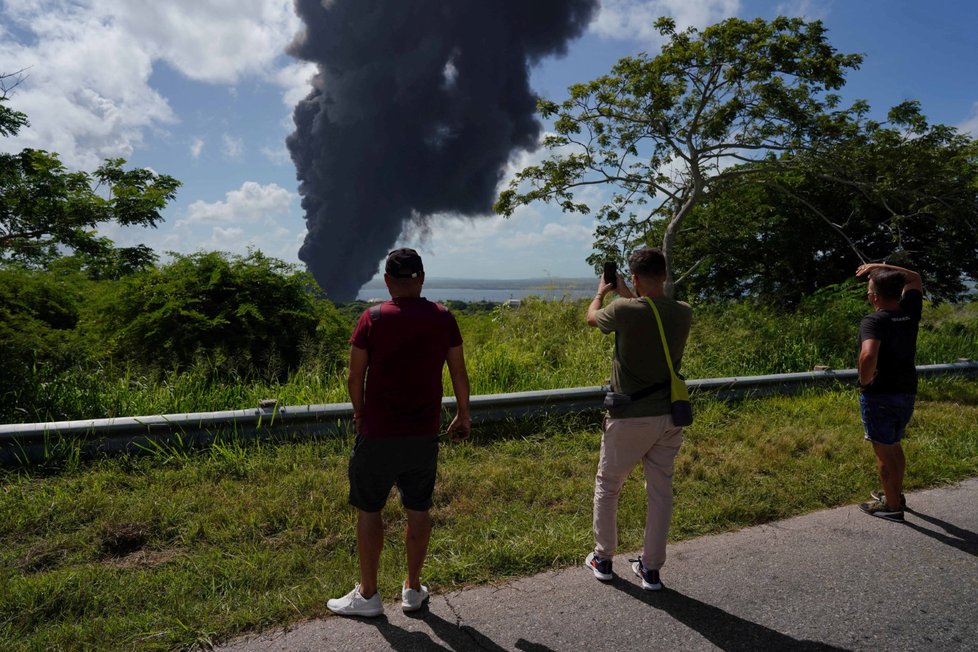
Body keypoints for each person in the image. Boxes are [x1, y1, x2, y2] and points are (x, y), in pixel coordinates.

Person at [327, 248, 471, 617]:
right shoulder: (443, 317)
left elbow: (354, 375)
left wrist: (360, 412)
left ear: (388, 281)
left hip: (377, 433)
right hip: (423, 435)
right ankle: (412, 588)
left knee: (370, 509)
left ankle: (369, 594)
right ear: (421, 278)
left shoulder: (372, 317)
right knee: (418, 509)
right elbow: (458, 372)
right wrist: (464, 414)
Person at [583, 247, 692, 591]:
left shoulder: (623, 310)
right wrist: (628, 292)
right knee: (660, 492)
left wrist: (602, 291)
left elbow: (591, 318)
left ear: (633, 278)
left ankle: (602, 558)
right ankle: (651, 569)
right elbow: (649, 310)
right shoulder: (683, 312)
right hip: (670, 415)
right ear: (665, 275)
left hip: (629, 416)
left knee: (609, 485)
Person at [855, 262, 923, 522]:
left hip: (881, 393)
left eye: (869, 289)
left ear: (874, 297)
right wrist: (878, 267)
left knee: (883, 450)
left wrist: (865, 382)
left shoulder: (874, 320)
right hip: (906, 390)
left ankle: (892, 506)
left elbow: (868, 354)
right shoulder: (909, 311)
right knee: (894, 445)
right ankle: (895, 493)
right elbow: (914, 278)